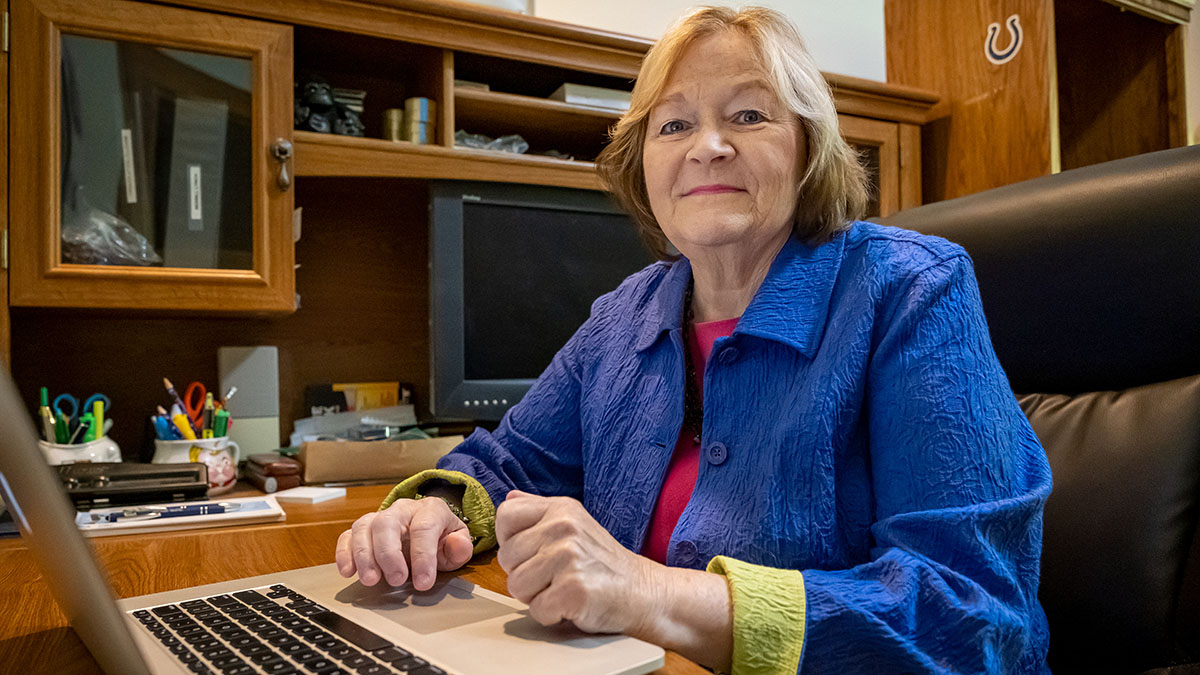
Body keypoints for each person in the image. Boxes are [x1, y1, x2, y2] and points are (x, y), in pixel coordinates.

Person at [336, 6, 1052, 673]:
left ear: (808, 146)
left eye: (749, 115)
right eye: (674, 125)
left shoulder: (910, 289)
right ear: (643, 163)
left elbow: (975, 615)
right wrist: (429, 514)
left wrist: (649, 593)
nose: (708, 147)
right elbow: (511, 461)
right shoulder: (621, 315)